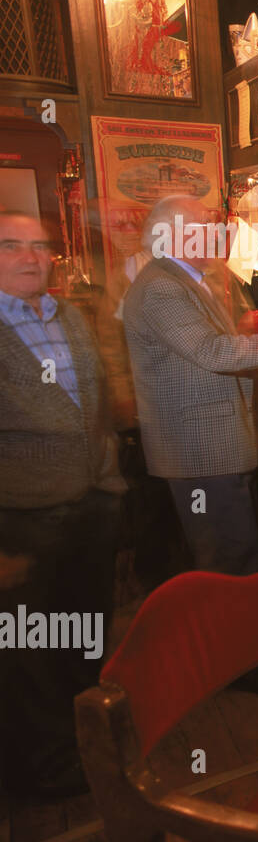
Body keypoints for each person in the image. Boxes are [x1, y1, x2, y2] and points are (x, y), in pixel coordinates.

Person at [122, 195, 258, 635]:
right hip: (198, 449)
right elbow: (213, 352)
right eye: (206, 224)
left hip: (208, 443)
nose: (219, 232)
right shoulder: (163, 286)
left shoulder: (189, 280)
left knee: (230, 552)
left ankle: (237, 648)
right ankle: (240, 660)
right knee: (230, 558)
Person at [0, 210, 125, 797]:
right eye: (12, 246)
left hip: (92, 503)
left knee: (86, 631)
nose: (31, 257)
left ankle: (90, 736)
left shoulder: (69, 314)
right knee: (30, 649)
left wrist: (108, 477)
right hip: (24, 518)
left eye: (40, 247)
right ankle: (47, 769)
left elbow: (92, 404)